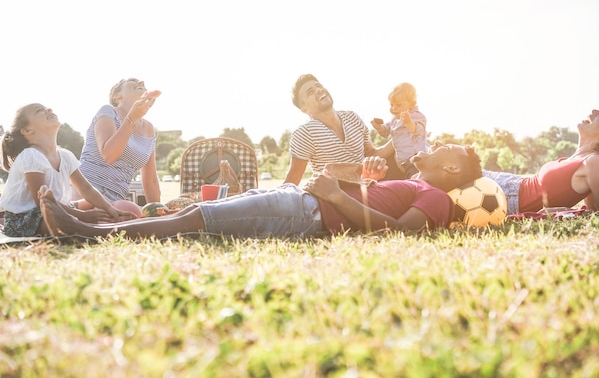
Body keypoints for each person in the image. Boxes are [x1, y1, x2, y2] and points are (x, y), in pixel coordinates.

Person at [39, 144, 483, 239]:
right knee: (197, 215)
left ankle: (85, 232)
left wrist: (337, 196)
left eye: (449, 150)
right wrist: (344, 185)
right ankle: (86, 222)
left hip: (308, 212)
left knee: (195, 219)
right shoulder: (415, 182)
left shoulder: (438, 197)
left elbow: (403, 233)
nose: (440, 145)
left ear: (451, 168)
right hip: (303, 203)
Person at [0, 104, 136, 237]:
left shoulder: (65, 156)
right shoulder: (31, 155)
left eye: (46, 107)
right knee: (55, 216)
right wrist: (82, 216)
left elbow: (86, 189)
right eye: (38, 111)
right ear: (27, 130)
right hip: (24, 218)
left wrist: (111, 210)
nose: (48, 109)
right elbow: (43, 202)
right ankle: (74, 225)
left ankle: (77, 222)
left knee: (97, 203)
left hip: (58, 209)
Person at [482, 107, 599, 214]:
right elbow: (591, 209)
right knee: (461, 155)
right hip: (509, 183)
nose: (595, 111)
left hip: (508, 197)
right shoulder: (580, 159)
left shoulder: (594, 162)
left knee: (460, 156)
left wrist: (566, 211)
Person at [284, 74, 398, 185]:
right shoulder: (305, 133)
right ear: (304, 109)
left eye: (319, 86)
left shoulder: (352, 117)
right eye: (310, 92)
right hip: (335, 194)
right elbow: (292, 181)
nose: (318, 90)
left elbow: (372, 153)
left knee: (404, 159)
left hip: (366, 187)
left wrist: (401, 134)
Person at [73, 78, 161, 217]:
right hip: (87, 190)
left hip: (116, 199)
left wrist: (157, 213)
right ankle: (77, 210)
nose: (142, 82)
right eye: (133, 81)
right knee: (130, 211)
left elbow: (151, 181)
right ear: (117, 96)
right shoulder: (108, 111)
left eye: (144, 84)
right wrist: (131, 118)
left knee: (130, 210)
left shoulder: (149, 129)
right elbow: (109, 155)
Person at [371, 82, 430, 178]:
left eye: (398, 105)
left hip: (416, 158)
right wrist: (379, 127)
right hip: (403, 160)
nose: (394, 108)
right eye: (391, 105)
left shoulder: (416, 115)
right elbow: (385, 131)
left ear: (411, 104)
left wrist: (408, 122)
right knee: (409, 178)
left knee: (417, 178)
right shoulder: (395, 119)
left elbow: (418, 131)